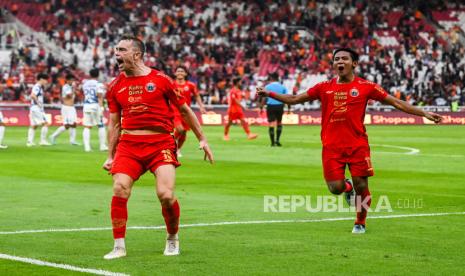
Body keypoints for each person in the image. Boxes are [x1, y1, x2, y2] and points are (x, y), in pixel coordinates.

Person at [257, 47, 443, 234]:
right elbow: (294, 99)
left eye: (344, 59)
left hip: (357, 145)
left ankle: (360, 222)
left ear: (354, 63)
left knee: (361, 184)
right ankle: (347, 188)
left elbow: (396, 102)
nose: (340, 62)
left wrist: (424, 113)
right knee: (335, 188)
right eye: (336, 59)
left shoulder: (366, 86)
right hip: (331, 147)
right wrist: (268, 94)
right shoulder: (324, 87)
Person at [102, 35, 214, 260]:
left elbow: (184, 110)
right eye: (115, 49)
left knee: (165, 194)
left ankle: (172, 238)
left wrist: (202, 138)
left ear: (136, 54)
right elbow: (114, 123)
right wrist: (110, 155)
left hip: (160, 143)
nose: (116, 54)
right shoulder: (114, 86)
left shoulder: (161, 80)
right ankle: (118, 246)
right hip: (129, 145)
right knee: (119, 187)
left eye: (122, 50)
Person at [173, 65, 206, 157]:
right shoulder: (171, 84)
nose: (180, 73)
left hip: (186, 112)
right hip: (175, 111)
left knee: (184, 133)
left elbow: (197, 95)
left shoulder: (190, 85)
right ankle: (170, 144)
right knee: (180, 129)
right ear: (175, 73)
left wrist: (201, 106)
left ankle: (177, 150)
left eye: (182, 71)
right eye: (178, 71)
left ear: (185, 74)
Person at [82, 68, 108, 152]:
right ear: (98, 75)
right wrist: (101, 107)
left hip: (86, 105)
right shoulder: (98, 84)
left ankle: (87, 147)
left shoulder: (85, 84)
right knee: (101, 125)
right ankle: (102, 145)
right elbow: (99, 96)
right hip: (95, 105)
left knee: (87, 126)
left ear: (90, 74)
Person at [260, 72, 289, 147]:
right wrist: (289, 108)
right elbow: (288, 97)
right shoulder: (282, 87)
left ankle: (272, 143)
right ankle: (277, 140)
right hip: (280, 106)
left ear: (271, 78)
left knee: (271, 124)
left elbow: (264, 98)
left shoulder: (267, 86)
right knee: (279, 123)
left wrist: (261, 107)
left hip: (271, 106)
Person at [50, 74, 79, 145]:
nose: (72, 81)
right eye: (71, 80)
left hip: (72, 107)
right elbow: (69, 95)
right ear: (67, 80)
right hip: (67, 108)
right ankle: (53, 136)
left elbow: (76, 94)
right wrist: (74, 89)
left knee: (74, 124)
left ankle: (72, 140)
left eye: (73, 80)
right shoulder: (66, 87)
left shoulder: (70, 87)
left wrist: (74, 89)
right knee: (67, 125)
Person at [27, 73, 51, 147]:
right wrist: (38, 103)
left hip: (34, 108)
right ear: (41, 79)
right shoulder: (37, 86)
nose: (46, 81)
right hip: (36, 108)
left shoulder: (39, 87)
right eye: (46, 80)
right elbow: (32, 95)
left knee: (34, 125)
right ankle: (42, 141)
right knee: (46, 123)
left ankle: (29, 142)